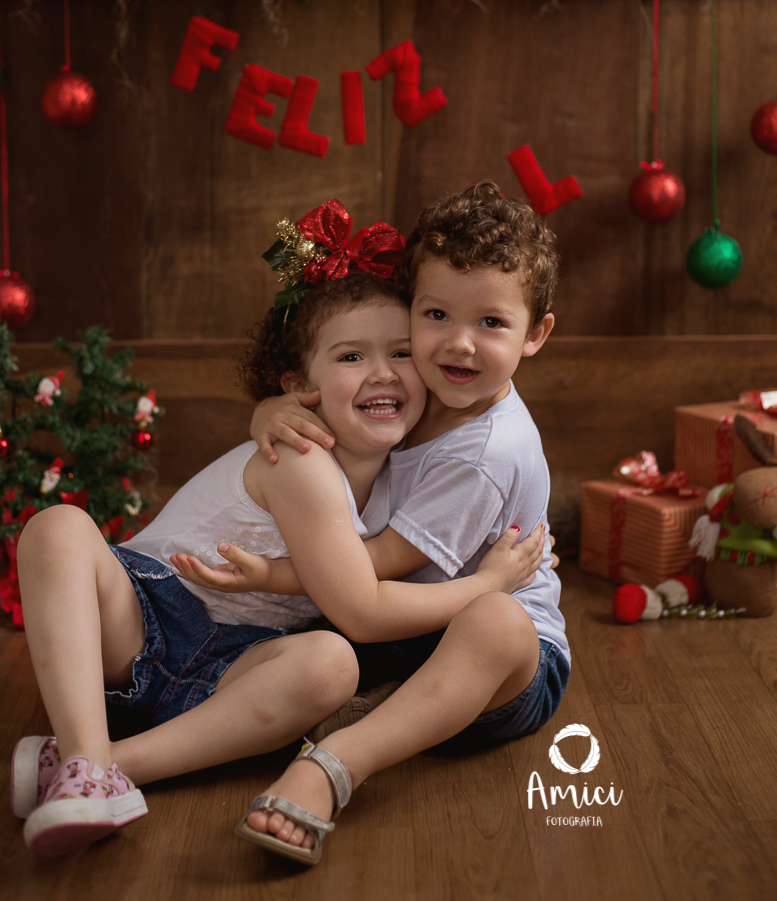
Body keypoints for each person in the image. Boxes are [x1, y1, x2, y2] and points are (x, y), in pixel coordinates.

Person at [12, 199, 540, 859]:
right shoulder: (302, 458)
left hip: (234, 669)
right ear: (299, 387)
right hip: (142, 620)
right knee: (58, 526)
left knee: (330, 665)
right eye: (352, 356)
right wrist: (487, 585)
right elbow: (362, 607)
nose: (383, 372)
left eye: (402, 352)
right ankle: (89, 761)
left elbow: (349, 585)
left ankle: (99, 766)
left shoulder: (407, 461)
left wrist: (268, 407)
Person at [177, 183, 570, 866]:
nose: (459, 344)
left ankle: (333, 765)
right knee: (312, 654)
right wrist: (270, 411)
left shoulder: (484, 452)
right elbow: (327, 411)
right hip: (396, 628)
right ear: (410, 309)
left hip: (499, 669)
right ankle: (375, 707)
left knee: (496, 623)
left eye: (491, 323)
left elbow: (372, 567)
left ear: (535, 334)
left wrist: (274, 574)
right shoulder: (413, 389)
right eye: (437, 314)